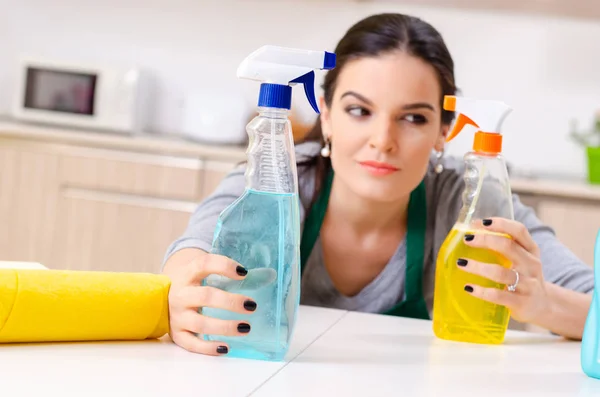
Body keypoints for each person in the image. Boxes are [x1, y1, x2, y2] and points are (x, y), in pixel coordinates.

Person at [162, 13, 594, 355]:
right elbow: (189, 254)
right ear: (326, 113)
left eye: (413, 118)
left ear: (445, 130)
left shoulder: (468, 202)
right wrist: (180, 288)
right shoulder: (277, 180)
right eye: (359, 110)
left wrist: (542, 303)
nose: (383, 141)